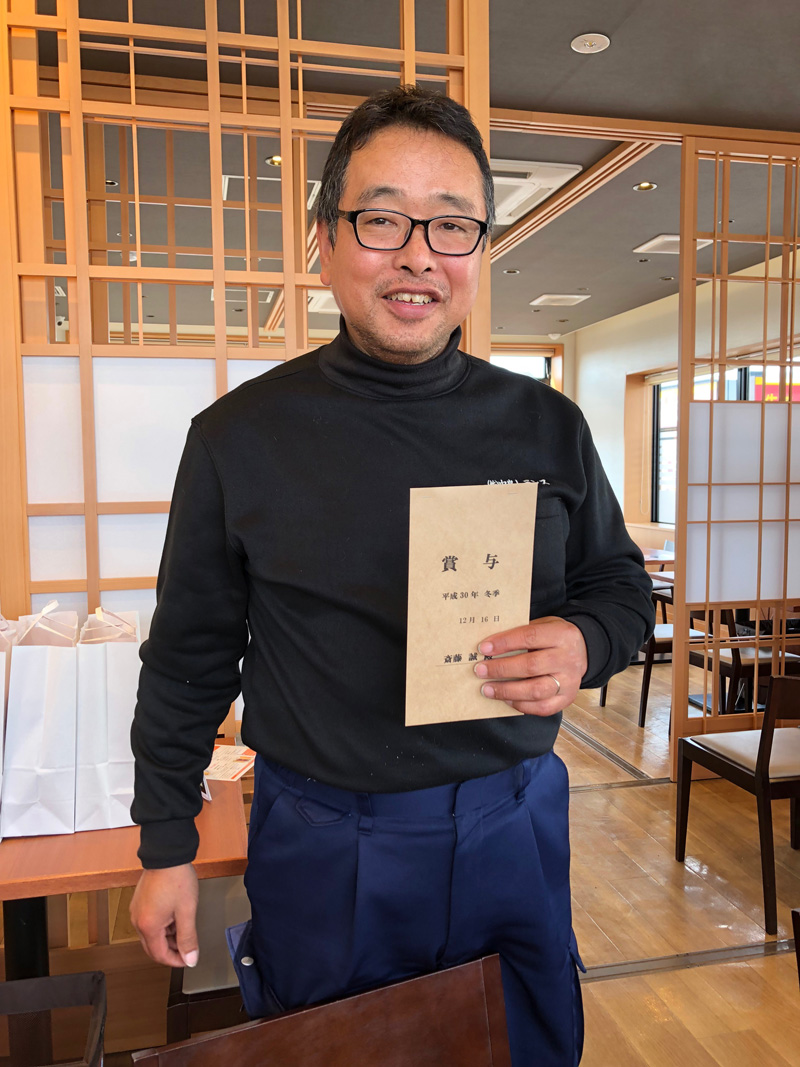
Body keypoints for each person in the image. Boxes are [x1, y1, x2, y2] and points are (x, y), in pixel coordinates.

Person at [130, 85, 654, 1066]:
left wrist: (583, 641)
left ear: (479, 250)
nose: (419, 254)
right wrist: (166, 844)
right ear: (324, 239)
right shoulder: (240, 437)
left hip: (513, 819)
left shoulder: (547, 425)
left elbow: (619, 587)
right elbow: (189, 657)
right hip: (327, 834)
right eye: (382, 219)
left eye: (452, 225)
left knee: (529, 1045)